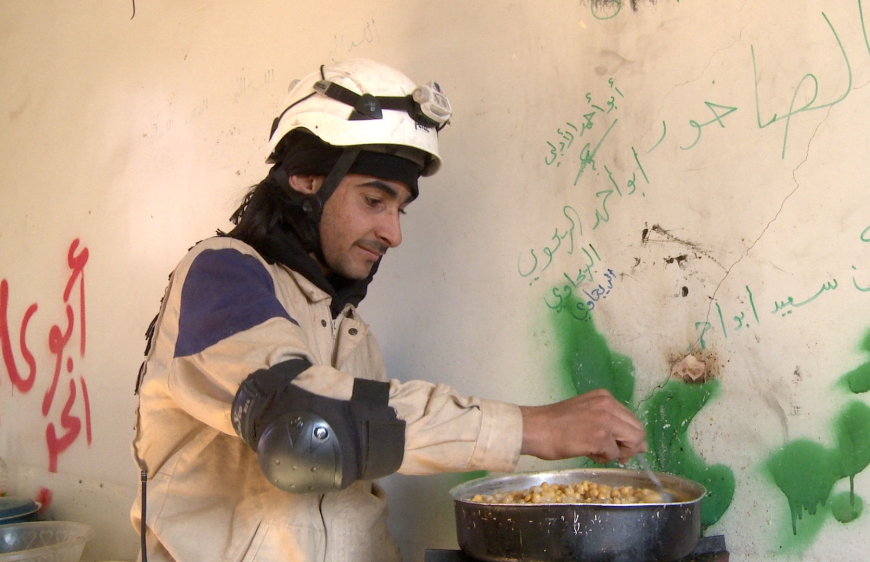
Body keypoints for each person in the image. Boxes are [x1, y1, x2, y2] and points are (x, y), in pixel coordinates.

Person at [130, 59, 646, 562]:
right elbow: (307, 432)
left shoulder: (352, 334)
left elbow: (346, 509)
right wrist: (529, 428)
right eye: (375, 200)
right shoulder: (222, 275)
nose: (393, 233)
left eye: (400, 209)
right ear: (308, 179)